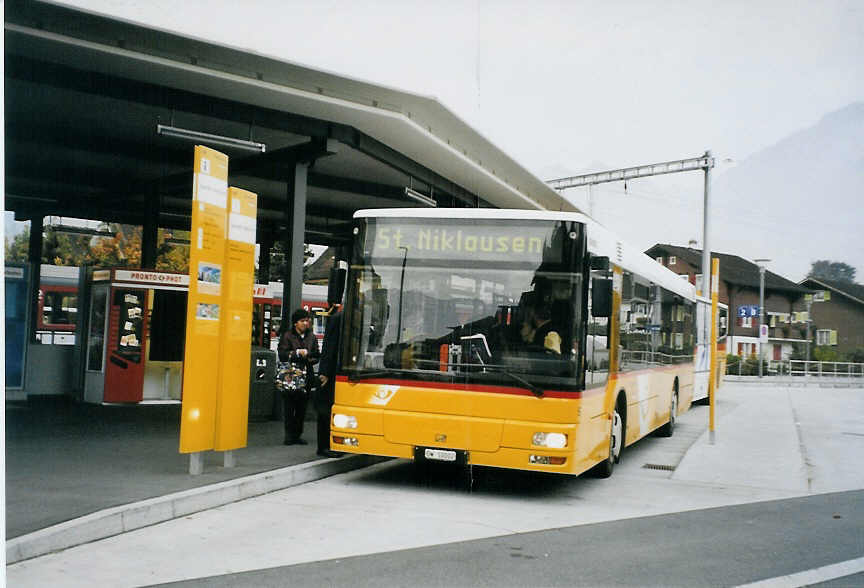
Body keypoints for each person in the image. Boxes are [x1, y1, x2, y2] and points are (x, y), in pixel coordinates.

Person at [278, 308, 320, 445]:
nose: (305, 324)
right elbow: (282, 354)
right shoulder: (287, 336)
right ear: (295, 323)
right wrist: (296, 353)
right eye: (302, 321)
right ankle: (289, 435)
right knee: (289, 406)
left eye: (307, 321)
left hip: (306, 375)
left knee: (302, 407)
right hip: (291, 375)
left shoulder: (312, 337)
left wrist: (308, 357)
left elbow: (316, 356)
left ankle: (297, 434)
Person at [315, 304, 344, 458]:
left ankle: (330, 444)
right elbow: (329, 346)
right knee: (326, 410)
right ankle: (324, 446)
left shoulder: (343, 317)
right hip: (331, 373)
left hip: (337, 371)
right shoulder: (338, 319)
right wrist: (324, 372)